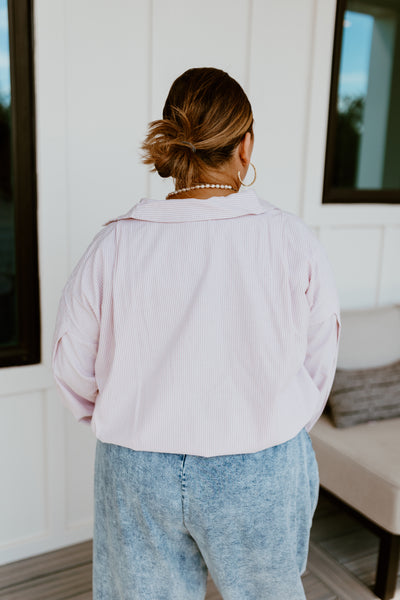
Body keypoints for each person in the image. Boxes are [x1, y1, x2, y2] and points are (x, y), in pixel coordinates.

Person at [52, 67, 341, 600]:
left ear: (173, 144)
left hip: (136, 469)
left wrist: (133, 421)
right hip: (262, 464)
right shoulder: (292, 242)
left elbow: (73, 367)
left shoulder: (112, 247)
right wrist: (269, 426)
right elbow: (318, 365)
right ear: (245, 145)